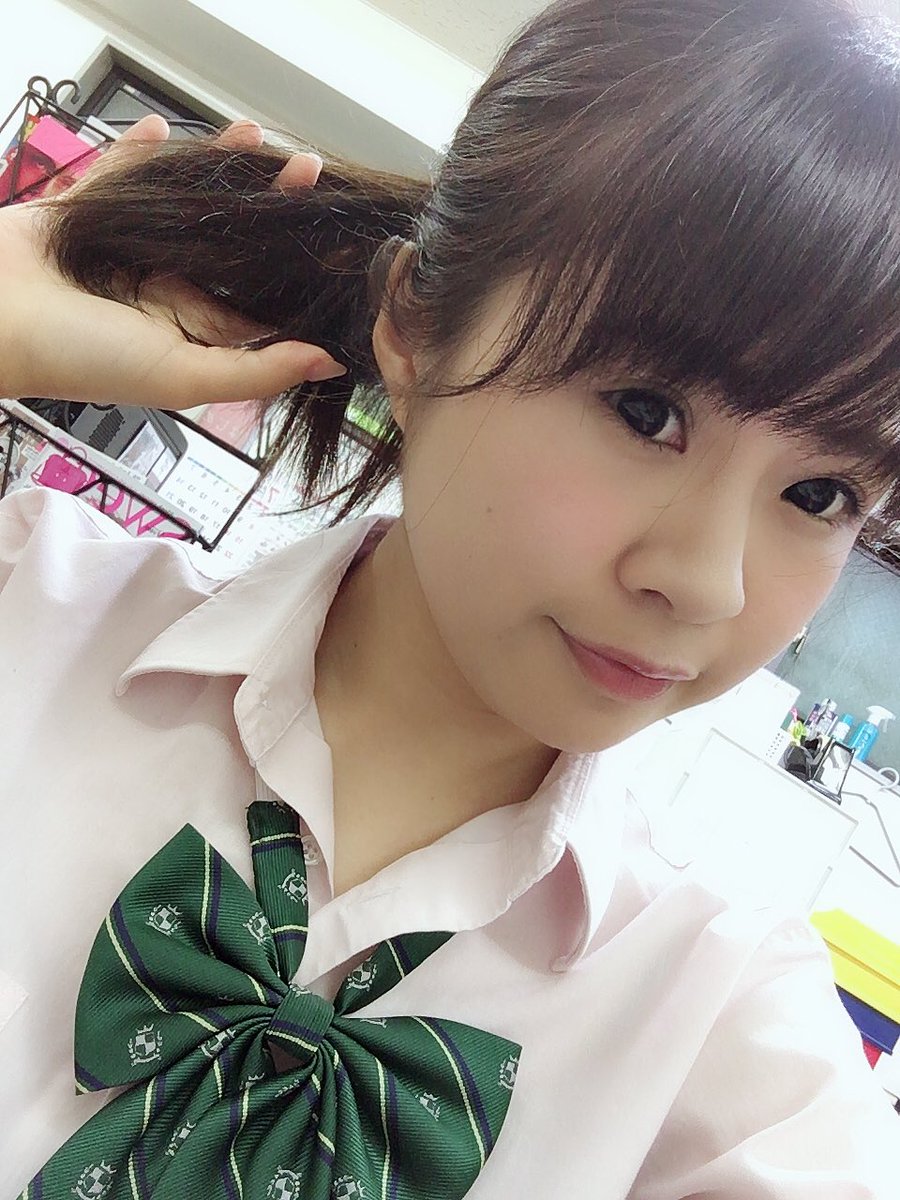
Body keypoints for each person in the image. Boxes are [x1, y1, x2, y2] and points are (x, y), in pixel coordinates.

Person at [1, 0, 899, 1195]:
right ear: (416, 326)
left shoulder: (729, 1032)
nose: (704, 581)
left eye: (823, 494)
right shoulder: (28, 603)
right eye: (646, 413)